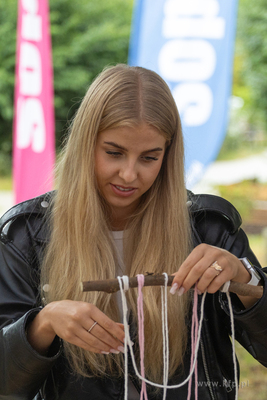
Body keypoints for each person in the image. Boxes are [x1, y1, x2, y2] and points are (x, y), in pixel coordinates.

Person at [0, 64, 266, 400]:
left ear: (167, 156)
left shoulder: (209, 227)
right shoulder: (25, 235)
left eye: (149, 158)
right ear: (85, 144)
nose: (128, 174)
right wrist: (42, 324)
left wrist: (249, 282)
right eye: (114, 153)